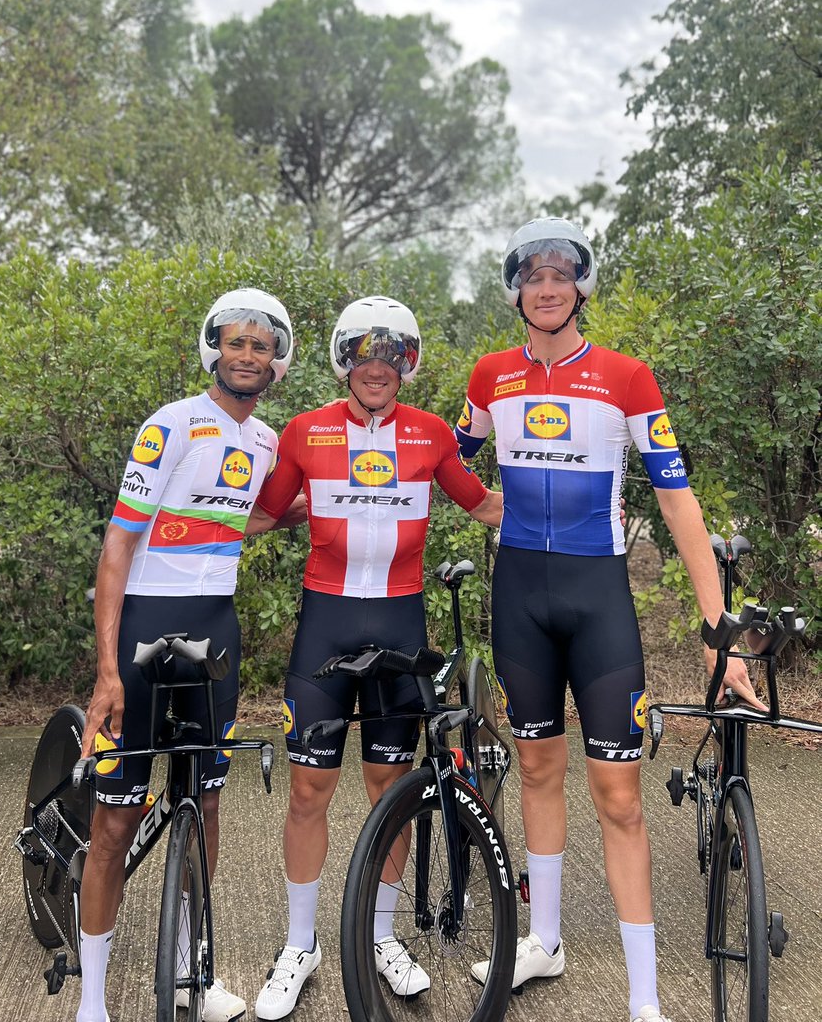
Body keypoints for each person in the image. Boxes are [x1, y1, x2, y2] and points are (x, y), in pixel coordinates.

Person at [454, 217, 764, 1022]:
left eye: (561, 275)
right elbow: (443, 457)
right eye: (533, 276)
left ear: (581, 287)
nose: (547, 288)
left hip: (598, 599)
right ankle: (544, 941)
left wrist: (717, 629)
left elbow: (677, 500)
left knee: (619, 798)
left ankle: (644, 999)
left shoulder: (627, 376)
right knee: (536, 770)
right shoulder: (491, 376)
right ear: (516, 291)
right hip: (519, 598)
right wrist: (477, 503)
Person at [244, 295, 503, 1021]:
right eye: (364, 354)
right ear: (344, 361)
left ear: (407, 365)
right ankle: (300, 945)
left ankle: (383, 936)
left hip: (398, 624)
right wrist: (173, 521)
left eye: (392, 355)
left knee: (391, 790)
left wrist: (580, 512)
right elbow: (260, 515)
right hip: (324, 627)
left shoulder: (430, 434)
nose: (377, 367)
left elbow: (484, 505)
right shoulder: (305, 431)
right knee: (308, 791)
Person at [76, 288, 300, 1022]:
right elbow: (118, 545)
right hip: (144, 627)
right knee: (113, 823)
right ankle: (91, 1001)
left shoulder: (267, 441)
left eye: (261, 346)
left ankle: (191, 973)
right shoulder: (171, 424)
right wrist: (107, 672)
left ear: (277, 361)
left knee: (204, 805)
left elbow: (235, 518)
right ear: (215, 350)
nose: (247, 356)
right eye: (236, 343)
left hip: (216, 629)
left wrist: (305, 510)